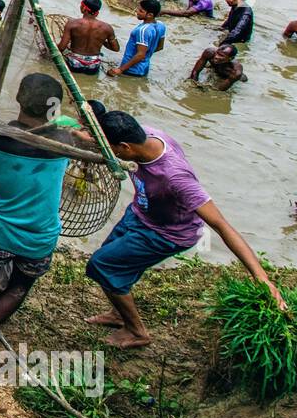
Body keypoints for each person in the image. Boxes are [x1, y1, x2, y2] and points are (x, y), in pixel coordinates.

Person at [85, 108, 285, 348]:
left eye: (111, 149)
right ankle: (119, 314)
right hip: (140, 213)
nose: (109, 153)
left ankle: (137, 331)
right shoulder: (147, 134)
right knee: (112, 261)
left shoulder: (176, 178)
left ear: (126, 147)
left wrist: (260, 277)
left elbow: (221, 225)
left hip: (166, 234)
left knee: (102, 265)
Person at [0, 74, 73, 360]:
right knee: (19, 287)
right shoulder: (64, 141)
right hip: (40, 235)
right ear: (54, 108)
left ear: (18, 99)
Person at [58, 0, 119, 74]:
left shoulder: (72, 24)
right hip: (93, 66)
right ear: (97, 12)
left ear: (84, 8)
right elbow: (116, 48)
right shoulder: (107, 28)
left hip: (74, 63)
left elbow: (62, 47)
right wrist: (102, 41)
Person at [109, 0, 166, 78]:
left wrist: (120, 69)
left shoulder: (142, 30)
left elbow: (140, 55)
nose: (137, 12)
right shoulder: (161, 25)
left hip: (131, 70)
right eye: (138, 9)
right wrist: (145, 55)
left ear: (150, 15)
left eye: (141, 11)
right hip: (144, 68)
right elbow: (160, 47)